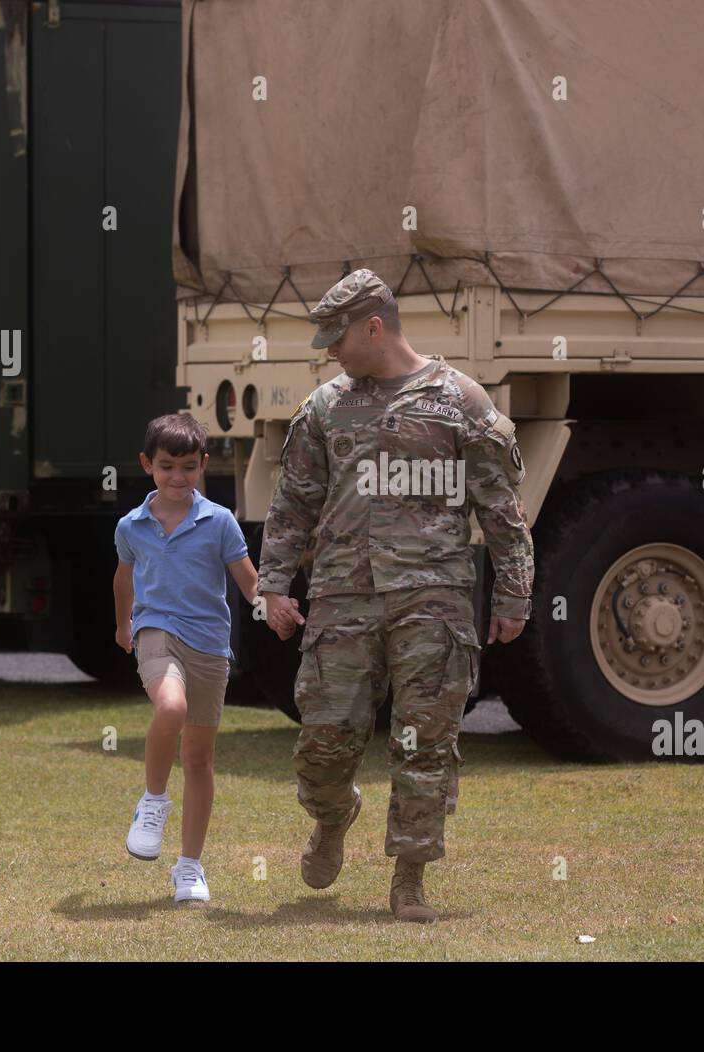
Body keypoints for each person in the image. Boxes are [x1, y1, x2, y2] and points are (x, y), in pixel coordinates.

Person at [258, 269, 534, 922]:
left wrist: (515, 594)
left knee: (424, 742)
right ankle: (332, 816)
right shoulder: (325, 408)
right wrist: (272, 585)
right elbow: (293, 501)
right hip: (342, 600)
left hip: (434, 602)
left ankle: (409, 877)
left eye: (338, 339)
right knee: (324, 739)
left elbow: (501, 506)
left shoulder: (462, 401)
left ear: (373, 327)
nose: (331, 352)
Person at [113, 412, 257, 903]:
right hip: (155, 632)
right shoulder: (131, 525)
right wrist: (122, 623)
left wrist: (273, 605)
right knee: (169, 707)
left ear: (204, 466)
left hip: (210, 647)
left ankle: (189, 868)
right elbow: (123, 577)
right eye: (167, 466)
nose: (178, 477)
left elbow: (248, 581)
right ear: (147, 464)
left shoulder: (219, 521)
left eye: (189, 467)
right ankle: (152, 802)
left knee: (198, 758)